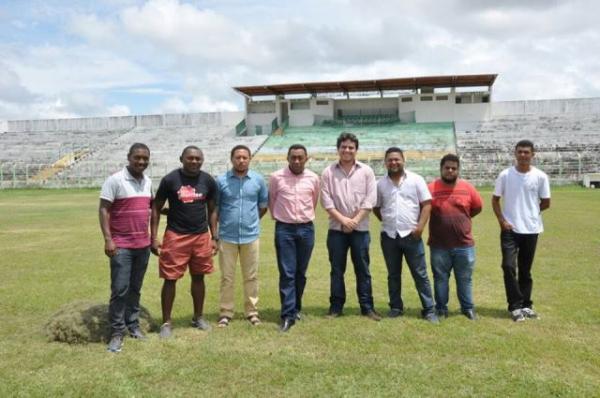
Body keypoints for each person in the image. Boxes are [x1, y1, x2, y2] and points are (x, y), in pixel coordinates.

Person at [150, 146, 218, 338]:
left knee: (199, 277)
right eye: (190, 158)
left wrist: (215, 236)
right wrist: (153, 237)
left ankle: (198, 317)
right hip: (176, 236)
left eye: (198, 159)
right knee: (170, 279)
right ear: (182, 159)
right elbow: (156, 208)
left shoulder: (208, 180)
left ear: (202, 160)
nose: (194, 161)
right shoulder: (170, 179)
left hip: (201, 236)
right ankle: (166, 322)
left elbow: (213, 210)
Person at [373, 147, 438, 323]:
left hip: (412, 235)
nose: (393, 163)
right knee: (393, 274)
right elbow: (376, 207)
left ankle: (429, 309)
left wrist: (420, 227)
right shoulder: (380, 184)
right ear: (385, 162)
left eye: (397, 159)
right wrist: (387, 221)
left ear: (403, 160)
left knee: (420, 274)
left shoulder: (416, 180)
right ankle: (395, 307)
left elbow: (426, 204)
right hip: (389, 236)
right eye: (390, 160)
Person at [320, 132, 381, 321]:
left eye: (351, 147)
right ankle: (336, 307)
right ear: (338, 149)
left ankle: (367, 307)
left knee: (363, 269)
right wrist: (344, 221)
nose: (347, 150)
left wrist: (354, 221)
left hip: (360, 230)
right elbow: (326, 201)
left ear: (356, 150)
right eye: (344, 147)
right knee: (337, 270)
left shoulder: (366, 171)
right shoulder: (328, 172)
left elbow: (370, 199)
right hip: (336, 231)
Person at [99, 143, 153, 353]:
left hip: (143, 245)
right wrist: (108, 239)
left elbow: (150, 207)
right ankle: (116, 332)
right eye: (137, 157)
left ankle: (133, 325)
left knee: (135, 289)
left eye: (145, 158)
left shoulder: (148, 181)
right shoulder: (115, 180)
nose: (141, 161)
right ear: (128, 157)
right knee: (120, 290)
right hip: (122, 245)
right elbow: (104, 210)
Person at [492, 139, 550, 322]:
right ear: (515, 154)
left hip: (531, 229)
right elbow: (495, 200)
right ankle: (515, 306)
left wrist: (531, 213)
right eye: (520, 152)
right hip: (510, 229)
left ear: (533, 155)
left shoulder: (540, 176)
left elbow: (546, 202)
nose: (523, 155)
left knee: (525, 270)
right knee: (508, 266)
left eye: (527, 152)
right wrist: (502, 220)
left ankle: (526, 305)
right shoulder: (505, 175)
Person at [213, 145, 268, 327]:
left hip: (251, 236)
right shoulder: (221, 181)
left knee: (251, 276)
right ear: (232, 159)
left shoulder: (258, 180)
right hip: (227, 237)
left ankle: (252, 312)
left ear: (250, 159)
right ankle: (226, 312)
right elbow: (215, 209)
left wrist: (250, 221)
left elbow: (263, 206)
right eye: (238, 157)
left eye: (245, 157)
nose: (241, 160)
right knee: (227, 277)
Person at [268, 144, 320, 332]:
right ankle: (288, 315)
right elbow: (272, 200)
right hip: (285, 229)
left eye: (300, 157)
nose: (296, 161)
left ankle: (296, 307)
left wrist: (302, 219)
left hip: (306, 229)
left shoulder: (313, 178)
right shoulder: (276, 177)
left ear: (307, 158)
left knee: (300, 272)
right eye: (293, 157)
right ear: (287, 158)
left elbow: (314, 201)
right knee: (287, 273)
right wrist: (284, 219)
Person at [428, 154, 483, 320]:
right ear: (441, 169)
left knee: (464, 278)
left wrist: (461, 219)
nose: (450, 171)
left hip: (464, 244)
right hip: (439, 245)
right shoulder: (431, 188)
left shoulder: (468, 188)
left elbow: (477, 207)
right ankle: (441, 308)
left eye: (454, 168)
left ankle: (467, 308)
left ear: (458, 170)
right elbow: (423, 210)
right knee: (440, 279)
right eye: (447, 168)